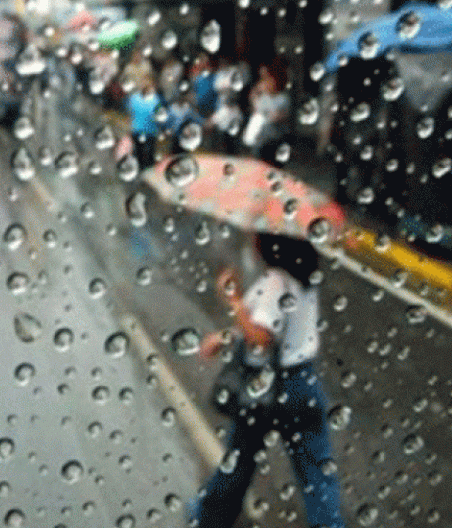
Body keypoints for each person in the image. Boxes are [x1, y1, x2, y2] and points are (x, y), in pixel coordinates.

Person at [191, 233, 346, 528]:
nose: (251, 239)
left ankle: (207, 519)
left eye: (257, 235)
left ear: (272, 245)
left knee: (237, 462)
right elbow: (264, 327)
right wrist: (225, 336)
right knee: (317, 472)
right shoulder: (303, 278)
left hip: (268, 387)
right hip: (304, 384)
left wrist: (233, 300)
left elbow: (261, 338)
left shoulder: (275, 284)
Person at [242, 64, 290, 162]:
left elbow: (277, 117)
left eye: (269, 81)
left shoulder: (283, 98)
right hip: (260, 138)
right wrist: (256, 91)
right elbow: (256, 108)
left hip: (274, 136)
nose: (266, 84)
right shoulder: (263, 98)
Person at [126, 77, 163, 170]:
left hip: (150, 131)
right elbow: (130, 113)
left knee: (149, 153)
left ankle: (147, 172)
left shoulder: (156, 100)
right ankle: (139, 171)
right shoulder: (134, 98)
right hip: (137, 130)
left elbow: (159, 115)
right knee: (138, 152)